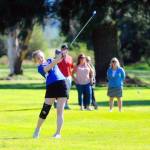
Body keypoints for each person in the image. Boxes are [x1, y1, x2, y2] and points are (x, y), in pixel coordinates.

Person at [32, 50, 68, 139]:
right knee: (45, 110)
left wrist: (62, 54)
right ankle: (37, 129)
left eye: (41, 57)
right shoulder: (40, 68)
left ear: (43, 55)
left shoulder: (51, 60)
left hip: (62, 84)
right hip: (51, 87)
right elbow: (47, 68)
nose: (40, 59)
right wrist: (57, 59)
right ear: (36, 61)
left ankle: (58, 133)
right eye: (38, 58)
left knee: (60, 111)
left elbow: (60, 59)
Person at [57, 44, 74, 109]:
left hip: (68, 77)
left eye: (66, 49)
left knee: (67, 91)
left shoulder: (70, 58)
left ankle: (66, 104)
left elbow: (71, 67)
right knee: (61, 91)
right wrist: (61, 56)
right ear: (61, 50)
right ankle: (59, 104)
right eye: (63, 49)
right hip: (61, 77)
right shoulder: (59, 57)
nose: (64, 50)